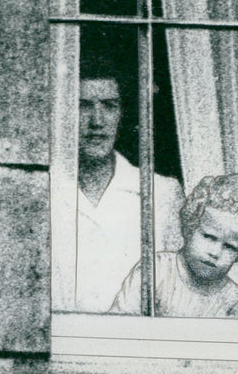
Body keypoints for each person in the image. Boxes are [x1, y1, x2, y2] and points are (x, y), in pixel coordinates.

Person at [75, 57, 185, 312]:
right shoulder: (49, 187)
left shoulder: (161, 192)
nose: (97, 121)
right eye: (83, 106)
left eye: (109, 106)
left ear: (121, 113)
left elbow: (178, 291)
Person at [110, 174, 238, 318]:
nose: (215, 252)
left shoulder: (231, 297)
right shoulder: (157, 270)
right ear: (191, 227)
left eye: (230, 247)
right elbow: (120, 322)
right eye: (209, 237)